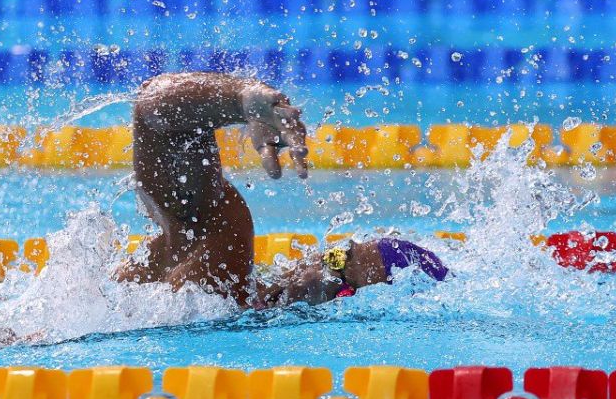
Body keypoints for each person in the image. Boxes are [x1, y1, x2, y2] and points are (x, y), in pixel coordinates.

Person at [115, 72, 448, 308]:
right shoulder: (222, 247)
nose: (323, 268)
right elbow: (151, 105)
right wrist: (242, 100)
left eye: (343, 283)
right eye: (336, 255)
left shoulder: (235, 299)